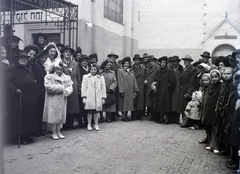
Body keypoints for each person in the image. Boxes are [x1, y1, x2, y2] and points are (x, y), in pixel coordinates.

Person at [6, 51, 38, 144]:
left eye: (25, 59)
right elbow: (7, 81)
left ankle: (26, 136)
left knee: (28, 117)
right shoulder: (12, 69)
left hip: (28, 97)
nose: (24, 60)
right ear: (17, 59)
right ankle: (17, 138)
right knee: (19, 118)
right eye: (21, 58)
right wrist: (15, 89)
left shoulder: (26, 68)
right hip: (18, 97)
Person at [42, 60, 73, 140]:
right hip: (53, 99)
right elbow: (48, 87)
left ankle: (59, 131)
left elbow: (70, 86)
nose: (59, 71)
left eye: (61, 69)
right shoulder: (49, 77)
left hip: (62, 99)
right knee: (53, 115)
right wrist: (61, 88)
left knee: (60, 115)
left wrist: (67, 91)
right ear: (54, 69)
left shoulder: (66, 77)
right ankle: (54, 132)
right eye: (57, 69)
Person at [81, 65, 106, 131]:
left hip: (98, 96)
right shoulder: (86, 77)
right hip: (89, 96)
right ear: (89, 70)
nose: (93, 71)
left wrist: (103, 97)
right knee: (90, 110)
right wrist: (84, 97)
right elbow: (84, 87)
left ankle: (96, 124)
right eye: (92, 69)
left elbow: (103, 88)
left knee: (96, 111)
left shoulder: (100, 77)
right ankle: (89, 124)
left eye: (95, 69)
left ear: (97, 70)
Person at [60, 45, 80, 130]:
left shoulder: (75, 63)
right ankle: (64, 124)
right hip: (64, 84)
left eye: (69, 52)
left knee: (73, 104)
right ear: (63, 53)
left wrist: (78, 86)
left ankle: (71, 123)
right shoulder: (60, 62)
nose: (68, 54)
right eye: (66, 52)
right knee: (65, 103)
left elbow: (78, 75)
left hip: (73, 84)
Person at [203, 70, 222, 153]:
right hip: (210, 108)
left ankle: (215, 146)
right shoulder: (211, 86)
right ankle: (211, 143)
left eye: (216, 77)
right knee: (209, 126)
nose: (214, 79)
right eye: (213, 77)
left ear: (219, 77)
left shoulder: (221, 86)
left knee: (215, 127)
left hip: (216, 108)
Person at [152, 56, 176, 124]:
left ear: (166, 63)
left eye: (164, 62)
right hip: (159, 91)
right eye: (161, 62)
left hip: (166, 92)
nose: (162, 64)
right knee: (159, 105)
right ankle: (161, 118)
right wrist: (155, 86)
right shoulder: (158, 71)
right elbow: (156, 80)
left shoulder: (170, 71)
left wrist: (167, 88)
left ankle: (166, 118)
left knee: (166, 105)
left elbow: (172, 82)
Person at [117, 57, 139, 121]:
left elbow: (134, 80)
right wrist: (121, 90)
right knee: (123, 103)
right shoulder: (120, 71)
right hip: (124, 89)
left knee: (128, 103)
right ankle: (124, 116)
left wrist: (135, 89)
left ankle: (126, 115)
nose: (126, 64)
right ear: (123, 64)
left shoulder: (131, 71)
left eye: (127, 63)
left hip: (130, 90)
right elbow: (120, 80)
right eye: (125, 63)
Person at [32, 50, 48, 135]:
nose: (43, 59)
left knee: (41, 110)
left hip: (42, 90)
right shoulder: (36, 66)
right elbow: (37, 80)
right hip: (39, 91)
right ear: (38, 57)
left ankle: (40, 129)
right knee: (38, 111)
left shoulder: (41, 66)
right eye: (42, 57)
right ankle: (37, 130)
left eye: (45, 58)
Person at [179, 55, 198, 127]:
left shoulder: (193, 69)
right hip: (182, 89)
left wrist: (188, 92)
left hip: (187, 90)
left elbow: (192, 82)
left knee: (186, 106)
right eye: (184, 61)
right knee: (183, 106)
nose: (185, 62)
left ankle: (186, 122)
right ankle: (185, 121)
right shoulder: (185, 69)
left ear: (190, 62)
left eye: (187, 61)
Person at [131, 54, 147, 120]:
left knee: (140, 101)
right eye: (136, 60)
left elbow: (146, 77)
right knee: (133, 100)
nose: (137, 61)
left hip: (141, 86)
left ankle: (139, 115)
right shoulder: (131, 68)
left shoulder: (143, 69)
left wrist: (145, 80)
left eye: (138, 60)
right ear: (134, 60)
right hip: (133, 85)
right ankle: (133, 115)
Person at [168, 56, 183, 123]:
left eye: (176, 62)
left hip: (178, 88)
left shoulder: (181, 69)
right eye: (173, 62)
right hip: (171, 88)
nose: (174, 63)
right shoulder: (170, 69)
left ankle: (176, 118)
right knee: (171, 103)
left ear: (178, 62)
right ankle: (171, 118)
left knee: (177, 104)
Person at [146, 55, 160, 120]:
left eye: (152, 61)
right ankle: (151, 115)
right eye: (150, 61)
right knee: (150, 102)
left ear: (155, 62)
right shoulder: (148, 68)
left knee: (154, 101)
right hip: (149, 86)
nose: (151, 63)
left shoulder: (158, 68)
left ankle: (155, 116)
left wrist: (155, 84)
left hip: (154, 86)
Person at [78, 54, 90, 128]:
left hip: (90, 89)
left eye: (86, 61)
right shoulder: (79, 69)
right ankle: (80, 122)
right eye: (83, 61)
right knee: (81, 106)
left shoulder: (90, 69)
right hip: (82, 89)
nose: (85, 63)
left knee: (88, 106)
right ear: (80, 63)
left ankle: (87, 121)